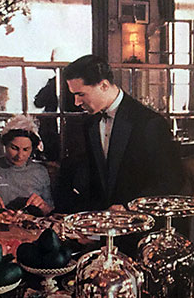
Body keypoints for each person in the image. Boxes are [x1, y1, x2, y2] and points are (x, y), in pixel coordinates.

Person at [56, 55, 184, 214]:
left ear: (104, 85)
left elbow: (171, 180)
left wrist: (129, 207)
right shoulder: (90, 122)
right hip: (102, 220)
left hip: (139, 221)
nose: (76, 102)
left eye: (81, 94)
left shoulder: (149, 122)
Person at [0, 114, 54, 216]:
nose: (20, 156)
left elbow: (50, 211)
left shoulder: (40, 171)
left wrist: (43, 206)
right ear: (5, 145)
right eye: (14, 148)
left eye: (26, 149)